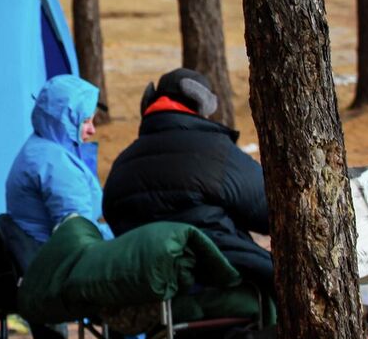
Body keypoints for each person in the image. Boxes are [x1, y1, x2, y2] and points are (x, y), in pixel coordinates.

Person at [102, 68, 273, 293]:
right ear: (201, 106)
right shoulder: (216, 154)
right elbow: (271, 211)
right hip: (222, 281)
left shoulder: (121, 164)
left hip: (147, 291)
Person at [4, 74, 105, 339]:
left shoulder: (44, 148)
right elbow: (77, 229)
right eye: (86, 121)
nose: (92, 130)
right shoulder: (53, 161)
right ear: (65, 119)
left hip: (42, 255)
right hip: (58, 263)